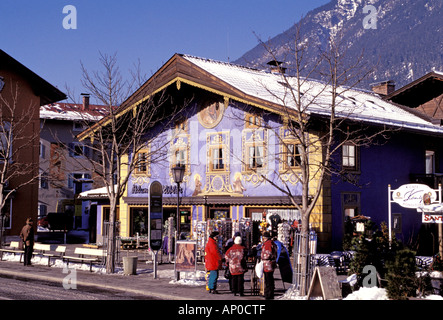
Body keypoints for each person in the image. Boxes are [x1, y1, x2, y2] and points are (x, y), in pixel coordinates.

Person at [260, 232, 277, 299]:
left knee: (268, 280)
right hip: (270, 263)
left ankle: (269, 294)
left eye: (263, 237)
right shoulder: (271, 243)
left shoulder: (268, 244)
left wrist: (262, 257)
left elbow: (268, 254)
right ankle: (269, 293)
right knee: (269, 279)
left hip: (268, 264)